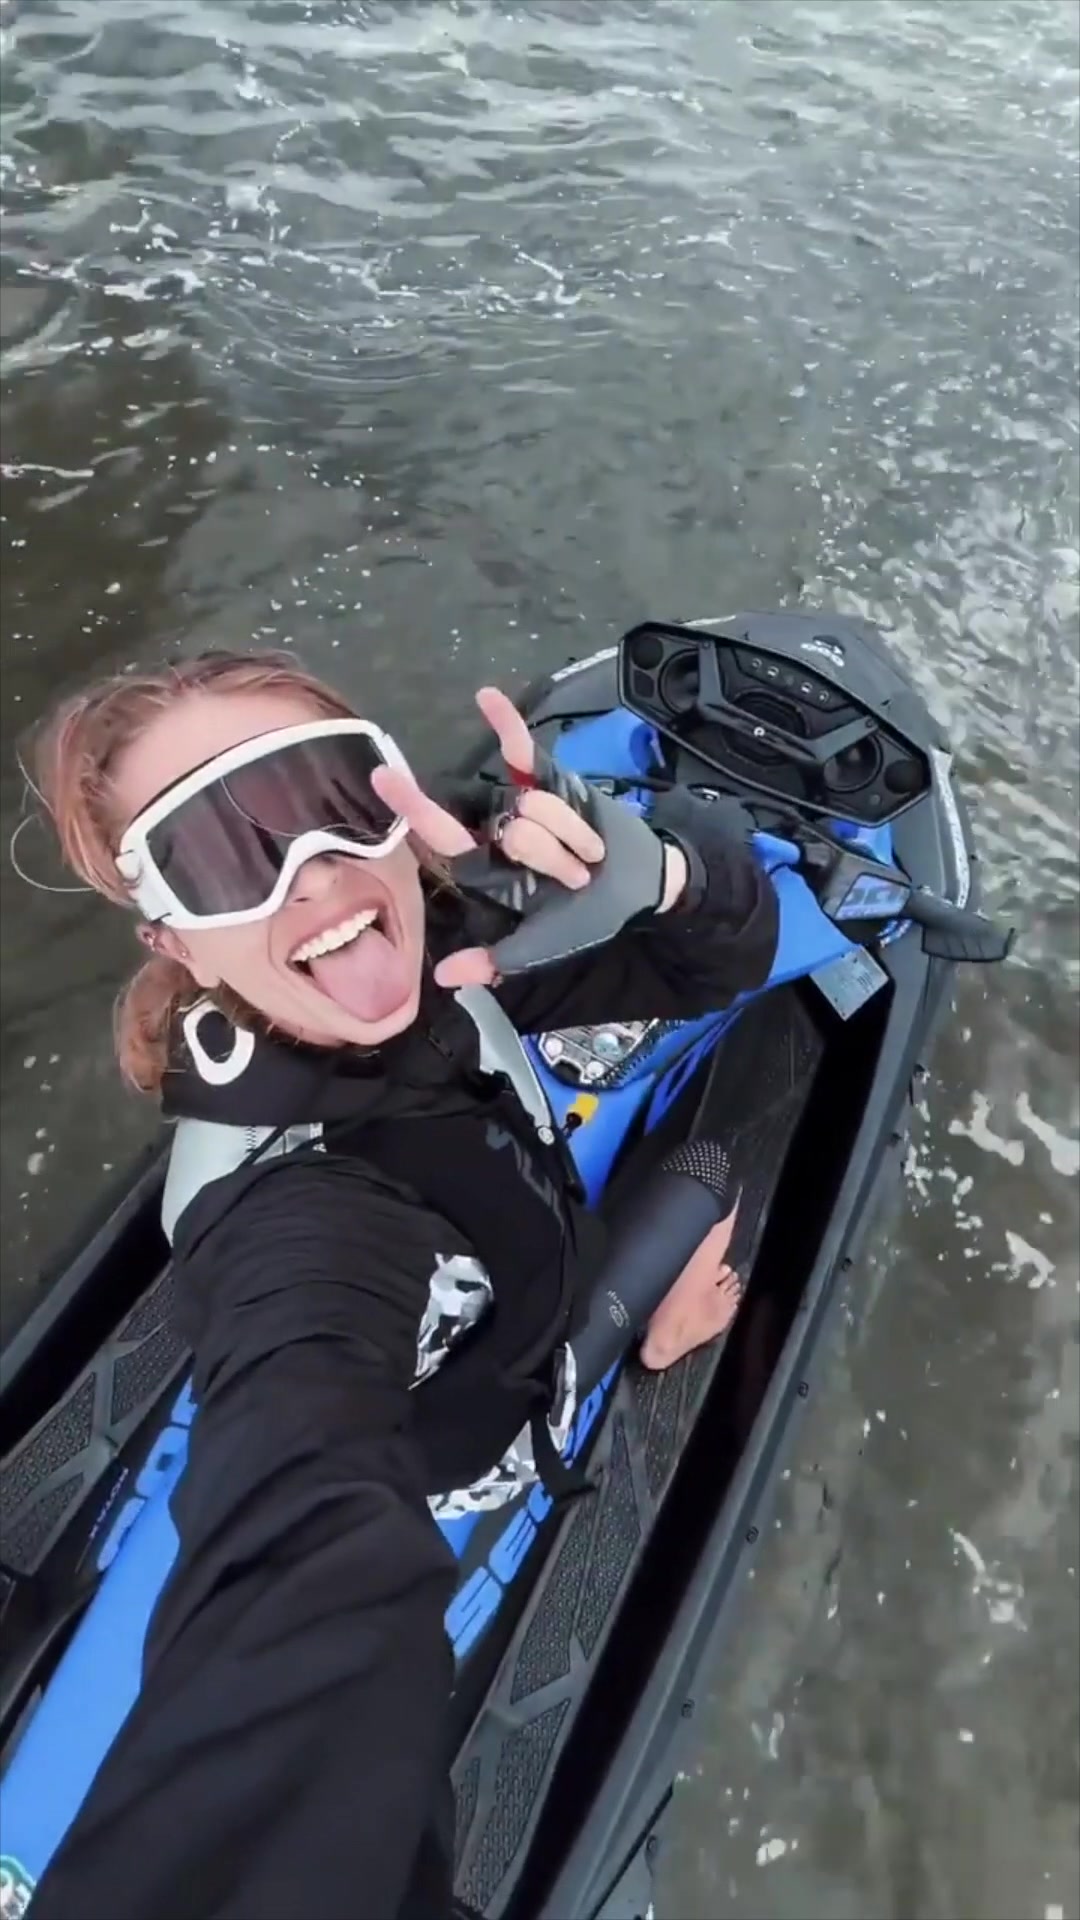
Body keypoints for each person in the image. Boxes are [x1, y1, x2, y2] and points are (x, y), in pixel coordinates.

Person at [26, 648, 778, 1920]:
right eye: (221, 855)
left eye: (331, 795)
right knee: (706, 1175)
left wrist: (661, 872)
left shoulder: (448, 948)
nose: (316, 875)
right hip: (476, 1426)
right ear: (173, 938)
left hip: (529, 1254)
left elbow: (715, 965)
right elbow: (298, 1500)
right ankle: (643, 1352)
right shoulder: (289, 1216)